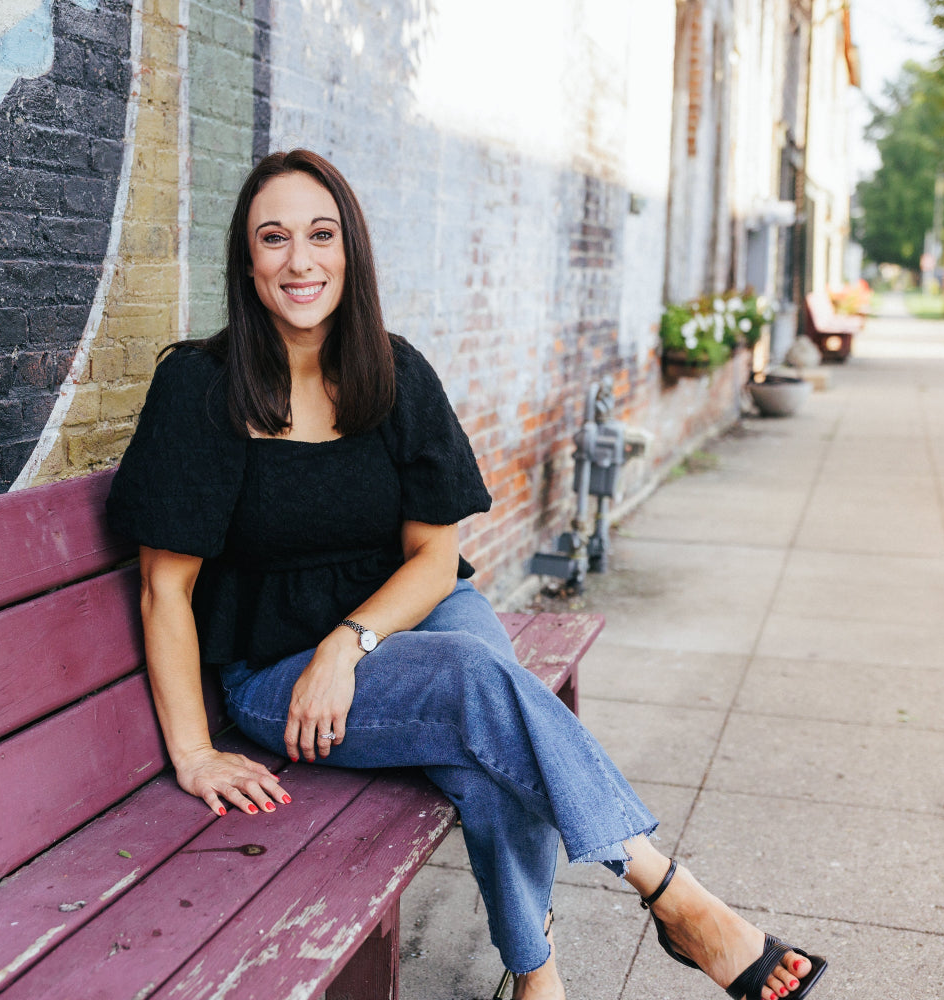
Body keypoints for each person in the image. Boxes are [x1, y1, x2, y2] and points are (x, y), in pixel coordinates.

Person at [105, 149, 827, 1000]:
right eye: (274, 238)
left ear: (351, 250)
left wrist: (348, 646)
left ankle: (538, 977)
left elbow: (436, 558)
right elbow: (166, 589)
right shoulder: (201, 387)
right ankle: (675, 897)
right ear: (246, 258)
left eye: (321, 234)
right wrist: (193, 751)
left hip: (408, 617)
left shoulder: (393, 371)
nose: (300, 261)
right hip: (281, 674)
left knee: (482, 724)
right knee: (479, 685)